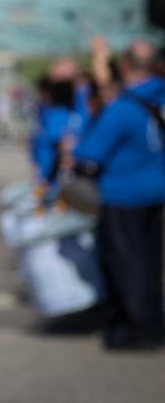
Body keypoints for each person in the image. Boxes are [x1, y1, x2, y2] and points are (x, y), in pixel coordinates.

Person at [73, 39, 165, 350]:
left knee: (126, 264)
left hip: (123, 195)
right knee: (150, 262)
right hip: (156, 191)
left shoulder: (123, 108)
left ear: (125, 65)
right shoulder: (158, 96)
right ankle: (153, 321)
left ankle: (137, 328)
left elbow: (89, 153)